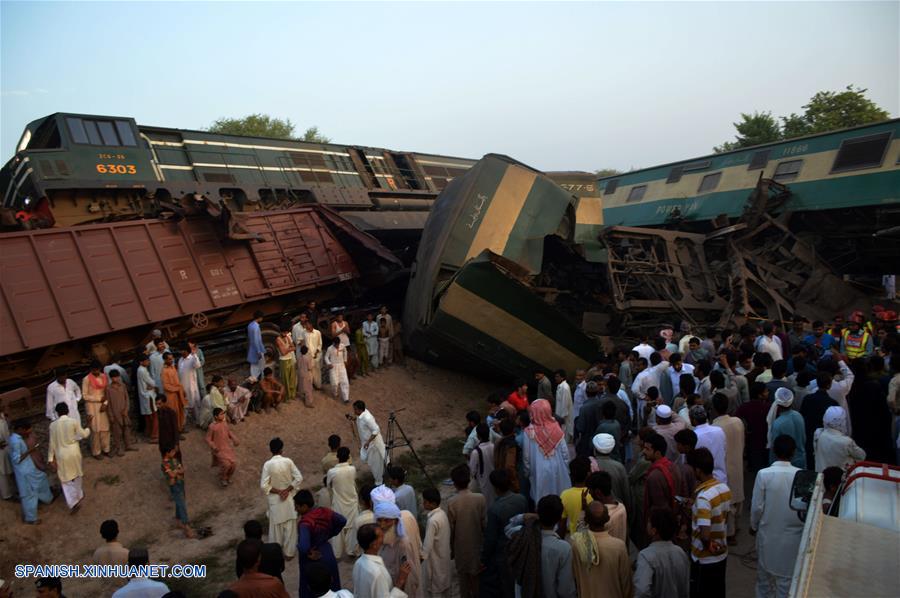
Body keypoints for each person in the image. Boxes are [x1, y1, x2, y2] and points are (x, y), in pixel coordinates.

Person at [750, 434, 804, 598]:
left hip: (768, 535)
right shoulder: (802, 475)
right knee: (785, 583)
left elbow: (757, 507)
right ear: (793, 453)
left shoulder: (764, 474)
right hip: (792, 539)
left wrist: (753, 526)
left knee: (763, 580)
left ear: (773, 451)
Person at [688, 448, 731, 598]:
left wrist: (708, 545)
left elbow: (705, 535)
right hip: (721, 554)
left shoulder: (704, 498)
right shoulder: (724, 488)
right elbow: (725, 518)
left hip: (704, 558)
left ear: (698, 470)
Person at [569, 501, 632, 598]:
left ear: (586, 520)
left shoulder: (577, 543)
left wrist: (582, 511)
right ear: (608, 518)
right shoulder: (619, 547)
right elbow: (627, 585)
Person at [481, 469, 528, 598]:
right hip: (521, 549)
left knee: (507, 588)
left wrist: (484, 559)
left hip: (504, 555)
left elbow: (491, 539)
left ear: (495, 487)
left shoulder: (495, 509)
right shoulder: (521, 499)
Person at [295, 490, 347, 598]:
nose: (296, 509)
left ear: (304, 506)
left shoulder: (305, 523)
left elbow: (304, 547)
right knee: (332, 585)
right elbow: (342, 520)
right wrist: (330, 533)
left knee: (312, 589)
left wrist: (308, 552)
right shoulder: (324, 511)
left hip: (313, 559)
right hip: (327, 552)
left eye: (297, 506)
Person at [260, 437, 303, 560]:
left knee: (276, 530)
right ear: (281, 449)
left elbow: (264, 485)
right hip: (289, 499)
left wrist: (279, 492)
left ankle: (276, 554)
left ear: (271, 450)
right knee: (290, 528)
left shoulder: (267, 465)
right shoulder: (288, 461)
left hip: (275, 502)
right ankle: (289, 554)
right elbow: (299, 478)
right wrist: (287, 490)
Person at [522, 399, 571, 504]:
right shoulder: (557, 428)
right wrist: (566, 469)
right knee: (559, 497)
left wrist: (527, 472)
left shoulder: (528, 432)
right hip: (558, 468)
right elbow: (565, 453)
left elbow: (526, 457)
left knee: (542, 500)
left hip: (538, 470)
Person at [447, 464, 485, 598]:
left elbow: (451, 530)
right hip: (476, 546)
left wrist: (451, 549)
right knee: (476, 581)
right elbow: (484, 524)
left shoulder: (452, 502)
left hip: (460, 549)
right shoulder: (480, 498)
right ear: (469, 479)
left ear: (454, 483)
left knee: (463, 582)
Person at [711, 393, 744, 542]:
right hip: (737, 464)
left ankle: (730, 533)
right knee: (737, 496)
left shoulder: (715, 428)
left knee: (729, 502)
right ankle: (735, 527)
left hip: (725, 467)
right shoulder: (738, 422)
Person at [635, 507, 690, 598]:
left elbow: (642, 591)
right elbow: (685, 587)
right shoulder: (680, 553)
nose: (647, 524)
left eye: (649, 522)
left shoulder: (646, 556)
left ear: (654, 530)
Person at [47, 402, 90, 512]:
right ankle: (79, 494)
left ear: (57, 413)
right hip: (74, 452)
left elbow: (52, 443)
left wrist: (51, 459)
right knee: (77, 474)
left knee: (65, 479)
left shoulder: (52, 425)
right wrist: (88, 426)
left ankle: (72, 502)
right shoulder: (73, 422)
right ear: (68, 411)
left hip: (61, 455)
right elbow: (84, 435)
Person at [8, 419, 52, 523]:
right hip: (24, 472)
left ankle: (47, 498)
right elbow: (17, 459)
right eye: (25, 429)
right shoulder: (15, 441)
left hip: (28, 468)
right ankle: (31, 518)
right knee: (29, 494)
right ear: (19, 429)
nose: (27, 431)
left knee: (42, 479)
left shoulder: (16, 438)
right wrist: (30, 451)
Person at [375, 500, 422, 597]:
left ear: (395, 521)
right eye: (379, 520)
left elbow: (409, 576)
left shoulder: (402, 544)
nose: (382, 525)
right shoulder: (380, 538)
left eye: (386, 520)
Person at [352, 523, 412, 598]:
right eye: (381, 536)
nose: (384, 536)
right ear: (374, 544)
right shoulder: (377, 573)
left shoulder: (358, 562)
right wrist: (401, 580)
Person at [642, 432, 681, 532]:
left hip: (662, 527)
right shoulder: (673, 467)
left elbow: (658, 507)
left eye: (647, 449)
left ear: (658, 453)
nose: (643, 451)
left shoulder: (654, 476)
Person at [800, 373, 839, 469]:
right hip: (825, 436)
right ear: (829, 385)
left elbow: (802, 414)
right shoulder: (832, 403)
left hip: (809, 432)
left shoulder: (807, 398)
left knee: (810, 461)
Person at [326, 446, 359, 558]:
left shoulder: (332, 472)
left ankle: (337, 553)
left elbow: (328, 485)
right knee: (351, 528)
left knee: (338, 529)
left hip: (338, 503)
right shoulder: (352, 469)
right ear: (348, 457)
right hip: (352, 502)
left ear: (337, 457)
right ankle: (351, 551)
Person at [591, 433, 632, 518]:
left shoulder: (589, 465)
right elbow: (626, 493)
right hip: (616, 511)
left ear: (595, 449)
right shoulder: (619, 467)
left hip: (594, 512)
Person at [421, 487, 452, 598]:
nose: (423, 504)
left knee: (436, 589)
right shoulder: (442, 513)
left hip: (435, 559)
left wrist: (420, 558)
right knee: (445, 586)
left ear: (432, 503)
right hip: (443, 556)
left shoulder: (432, 520)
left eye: (425, 502)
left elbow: (427, 545)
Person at [814, 406, 866, 472]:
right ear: (841, 422)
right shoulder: (847, 442)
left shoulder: (818, 434)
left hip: (820, 476)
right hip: (839, 480)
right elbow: (862, 455)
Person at [765, 388, 806, 468]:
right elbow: (803, 438)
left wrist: (771, 464)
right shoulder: (798, 416)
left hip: (785, 464)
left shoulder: (778, 423)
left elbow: (775, 448)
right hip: (801, 459)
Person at [161, 443, 194, 538]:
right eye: (172, 451)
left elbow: (182, 470)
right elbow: (171, 475)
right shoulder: (164, 463)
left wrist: (175, 472)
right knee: (181, 504)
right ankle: (186, 526)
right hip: (174, 485)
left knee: (180, 502)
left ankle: (178, 519)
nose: (174, 453)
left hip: (180, 483)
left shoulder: (174, 460)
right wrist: (177, 472)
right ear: (168, 453)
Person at [737, 382, 771, 473]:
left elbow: (737, 419)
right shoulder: (768, 407)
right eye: (765, 391)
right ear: (759, 395)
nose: (768, 393)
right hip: (765, 441)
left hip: (751, 442)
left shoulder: (744, 407)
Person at [689, 406, 727, 485]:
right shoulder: (719, 431)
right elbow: (724, 451)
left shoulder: (694, 436)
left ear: (693, 420)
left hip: (705, 482)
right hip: (722, 479)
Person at [352, 400, 388, 485]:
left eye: (355, 410)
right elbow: (359, 420)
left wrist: (368, 442)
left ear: (360, 410)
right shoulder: (361, 414)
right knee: (373, 462)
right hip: (367, 443)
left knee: (375, 463)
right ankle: (380, 475)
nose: (354, 411)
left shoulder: (367, 418)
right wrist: (353, 418)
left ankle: (379, 482)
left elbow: (376, 429)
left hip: (373, 445)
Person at [81, 361, 111, 459]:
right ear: (91, 370)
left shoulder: (104, 376)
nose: (96, 372)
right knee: (95, 430)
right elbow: (84, 396)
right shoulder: (86, 379)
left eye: (98, 369)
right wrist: (98, 399)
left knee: (105, 428)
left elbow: (106, 392)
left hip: (103, 406)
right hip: (92, 406)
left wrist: (105, 403)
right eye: (94, 370)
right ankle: (96, 452)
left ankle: (106, 449)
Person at [105, 370, 136, 456]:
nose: (116, 379)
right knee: (117, 432)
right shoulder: (108, 389)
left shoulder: (123, 386)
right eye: (114, 377)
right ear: (111, 378)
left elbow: (127, 399)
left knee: (127, 429)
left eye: (117, 377)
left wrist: (126, 409)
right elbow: (108, 403)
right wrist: (110, 415)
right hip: (115, 413)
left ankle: (128, 445)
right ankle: (118, 448)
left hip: (124, 412)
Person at [206, 408, 239, 487]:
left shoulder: (225, 423)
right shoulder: (212, 426)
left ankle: (228, 477)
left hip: (227, 448)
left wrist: (234, 438)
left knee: (234, 464)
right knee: (226, 464)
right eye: (221, 414)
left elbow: (229, 432)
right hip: (219, 449)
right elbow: (208, 438)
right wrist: (213, 447)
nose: (223, 415)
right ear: (216, 416)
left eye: (223, 413)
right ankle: (223, 478)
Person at [560, 456, 592, 536]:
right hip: (592, 538)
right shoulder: (593, 493)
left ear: (571, 476)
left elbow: (562, 525)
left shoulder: (565, 495)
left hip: (574, 539)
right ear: (588, 474)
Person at [469, 423, 496, 507]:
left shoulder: (476, 452)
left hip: (482, 480)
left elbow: (472, 470)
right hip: (494, 478)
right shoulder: (494, 446)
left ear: (478, 435)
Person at [493, 418, 521, 493]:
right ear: (513, 429)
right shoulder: (511, 445)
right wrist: (515, 483)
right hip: (508, 482)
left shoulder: (499, 441)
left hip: (499, 477)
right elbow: (510, 466)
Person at [177, 345, 203, 423]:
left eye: (182, 350)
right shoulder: (180, 360)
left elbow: (198, 365)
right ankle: (183, 424)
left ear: (187, 351)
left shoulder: (192, 359)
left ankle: (199, 421)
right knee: (185, 406)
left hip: (191, 387)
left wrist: (194, 354)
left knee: (195, 405)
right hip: (183, 387)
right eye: (180, 351)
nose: (181, 352)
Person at [350, 483, 377, 557]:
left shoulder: (359, 520)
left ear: (362, 500)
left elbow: (354, 547)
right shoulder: (386, 516)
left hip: (366, 557)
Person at [162, 352, 187, 431]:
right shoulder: (164, 371)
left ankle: (180, 428)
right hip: (171, 396)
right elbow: (166, 386)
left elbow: (177, 381)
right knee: (174, 413)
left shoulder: (173, 368)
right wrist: (177, 389)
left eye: (172, 358)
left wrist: (182, 390)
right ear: (165, 360)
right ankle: (176, 432)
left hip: (178, 394)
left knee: (180, 411)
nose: (171, 360)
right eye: (169, 359)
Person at [275, 325, 298, 403]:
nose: (285, 333)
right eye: (284, 332)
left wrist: (288, 349)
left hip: (290, 359)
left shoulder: (287, 337)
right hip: (283, 361)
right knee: (285, 380)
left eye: (286, 332)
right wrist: (290, 349)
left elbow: (293, 347)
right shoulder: (278, 339)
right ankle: (286, 397)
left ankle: (292, 395)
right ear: (280, 332)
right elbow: (283, 352)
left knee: (292, 378)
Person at [325, 337, 350, 404]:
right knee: (334, 383)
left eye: (338, 344)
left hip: (341, 366)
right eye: (336, 345)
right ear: (333, 343)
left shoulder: (342, 346)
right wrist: (329, 363)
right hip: (333, 366)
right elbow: (326, 357)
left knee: (344, 381)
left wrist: (345, 360)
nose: (337, 346)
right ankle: (335, 393)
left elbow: (345, 352)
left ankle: (346, 398)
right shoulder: (329, 348)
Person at [554, 370, 574, 442]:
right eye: (555, 376)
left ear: (562, 378)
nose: (556, 378)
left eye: (557, 377)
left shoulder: (565, 388)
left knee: (564, 437)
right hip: (559, 416)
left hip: (563, 417)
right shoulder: (560, 386)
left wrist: (562, 418)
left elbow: (565, 404)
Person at [247, 311, 267, 380]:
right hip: (258, 349)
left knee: (253, 366)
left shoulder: (250, 325)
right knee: (261, 366)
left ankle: (253, 379)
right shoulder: (256, 327)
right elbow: (256, 340)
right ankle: (261, 380)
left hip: (251, 348)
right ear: (259, 318)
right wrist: (258, 351)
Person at [304, 321, 324, 389]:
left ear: (311, 324)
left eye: (307, 324)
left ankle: (318, 385)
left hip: (316, 355)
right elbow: (302, 343)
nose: (306, 326)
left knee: (317, 370)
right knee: (309, 371)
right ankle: (311, 385)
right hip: (308, 356)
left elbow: (320, 344)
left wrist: (316, 352)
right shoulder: (304, 333)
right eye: (305, 325)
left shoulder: (317, 332)